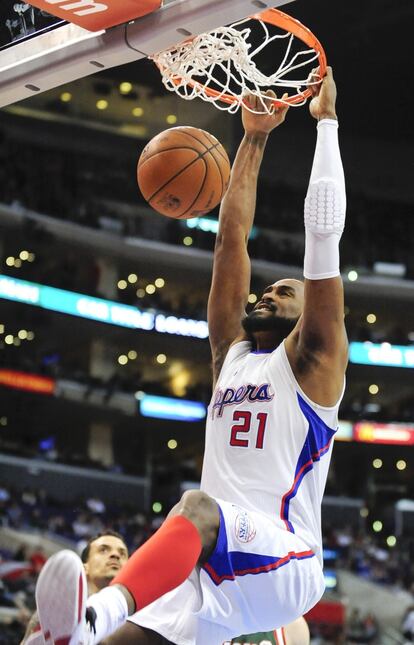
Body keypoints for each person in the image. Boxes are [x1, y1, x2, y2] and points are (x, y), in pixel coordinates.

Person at [35, 66, 347, 645]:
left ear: (309, 317)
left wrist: (325, 124)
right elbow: (231, 240)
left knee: (195, 507)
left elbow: (323, 238)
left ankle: (92, 614)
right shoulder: (230, 355)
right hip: (215, 567)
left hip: (285, 558)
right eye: (264, 288)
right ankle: (73, 634)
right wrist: (253, 138)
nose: (264, 294)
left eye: (282, 292)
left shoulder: (313, 363)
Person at [21, 531, 129, 644]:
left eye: (122, 554)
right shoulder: (58, 608)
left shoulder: (139, 620)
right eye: (103, 550)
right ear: (84, 567)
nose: (115, 555)